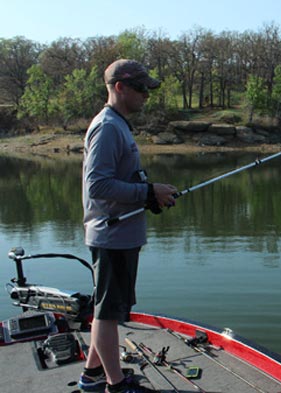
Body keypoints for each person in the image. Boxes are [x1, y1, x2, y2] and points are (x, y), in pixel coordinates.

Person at [79, 59, 177, 393]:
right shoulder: (107, 126)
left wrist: (148, 195)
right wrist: (147, 191)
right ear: (120, 87)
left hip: (120, 234)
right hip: (111, 236)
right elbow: (99, 186)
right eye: (141, 89)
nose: (146, 95)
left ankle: (92, 375)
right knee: (107, 314)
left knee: (107, 308)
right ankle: (116, 385)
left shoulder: (117, 124)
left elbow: (118, 182)